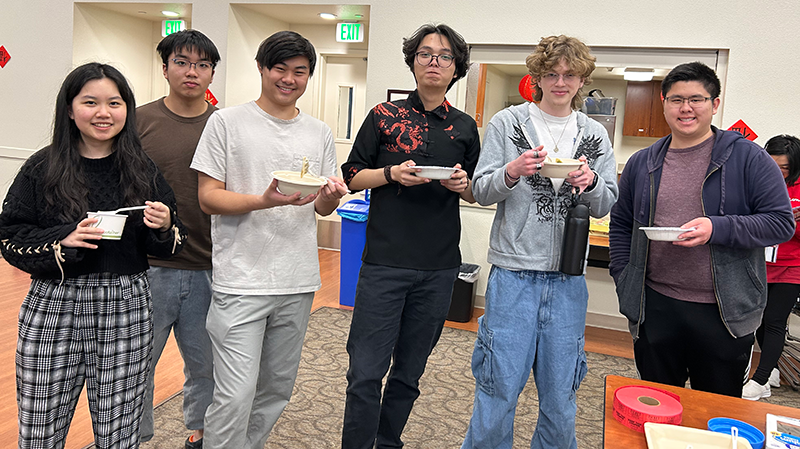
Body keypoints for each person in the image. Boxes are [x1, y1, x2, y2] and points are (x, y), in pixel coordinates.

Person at [0, 62, 186, 449]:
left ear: (126, 110)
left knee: (119, 430)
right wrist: (62, 239)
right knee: (39, 427)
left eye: (114, 103)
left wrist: (164, 224)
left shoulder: (141, 168)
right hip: (53, 303)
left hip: (127, 304)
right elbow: (10, 237)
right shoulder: (42, 166)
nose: (104, 113)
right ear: (70, 109)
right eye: (90, 102)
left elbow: (170, 242)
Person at [190, 30, 348, 449]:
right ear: (262, 68)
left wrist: (330, 198)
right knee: (235, 393)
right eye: (280, 68)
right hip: (241, 280)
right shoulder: (225, 122)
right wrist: (263, 200)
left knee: (276, 391)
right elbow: (208, 198)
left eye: (300, 71)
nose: (289, 78)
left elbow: (320, 208)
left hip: (297, 280)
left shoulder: (318, 132)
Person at [460, 35, 618, 449]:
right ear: (538, 78)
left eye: (570, 74)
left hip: (568, 281)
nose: (560, 82)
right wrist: (511, 171)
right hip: (514, 274)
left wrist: (592, 181)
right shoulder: (507, 123)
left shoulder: (595, 134)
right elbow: (480, 190)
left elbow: (606, 203)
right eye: (552, 73)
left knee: (562, 397)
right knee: (497, 390)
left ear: (582, 78)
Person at [609, 62, 794, 398]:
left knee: (716, 412)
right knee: (658, 404)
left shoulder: (748, 158)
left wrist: (717, 227)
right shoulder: (643, 162)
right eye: (677, 99)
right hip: (656, 307)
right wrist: (624, 277)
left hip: (724, 312)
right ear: (663, 102)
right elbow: (621, 225)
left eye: (697, 99)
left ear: (715, 104)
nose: (686, 108)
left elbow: (781, 222)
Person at [340, 23, 480, 449]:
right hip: (384, 263)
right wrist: (390, 173)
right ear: (413, 62)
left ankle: (387, 441)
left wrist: (462, 186)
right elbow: (351, 177)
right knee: (364, 371)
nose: (433, 62)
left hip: (438, 268)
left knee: (409, 373)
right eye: (425, 54)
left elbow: (475, 188)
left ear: (456, 68)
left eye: (443, 56)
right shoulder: (384, 116)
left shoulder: (465, 126)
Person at [136, 29, 220, 448]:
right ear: (165, 67)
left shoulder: (223, 124)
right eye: (183, 62)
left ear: (211, 74)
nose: (192, 72)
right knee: (138, 362)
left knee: (206, 364)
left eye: (202, 65)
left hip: (211, 265)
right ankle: (133, 436)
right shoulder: (138, 121)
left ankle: (199, 434)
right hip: (148, 268)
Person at [742, 134, 800, 400]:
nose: (778, 172)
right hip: (761, 263)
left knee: (775, 320)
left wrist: (792, 223)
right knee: (760, 321)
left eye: (784, 168)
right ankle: (772, 367)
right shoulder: (760, 182)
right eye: (773, 165)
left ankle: (760, 380)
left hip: (792, 265)